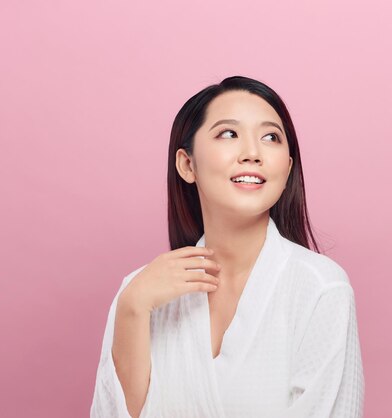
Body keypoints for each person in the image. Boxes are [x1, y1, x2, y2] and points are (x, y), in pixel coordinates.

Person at [90, 76, 364, 417]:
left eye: (271, 137)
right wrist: (131, 309)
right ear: (187, 165)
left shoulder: (321, 289)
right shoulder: (138, 292)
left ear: (288, 168)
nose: (252, 153)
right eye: (229, 134)